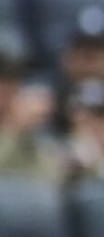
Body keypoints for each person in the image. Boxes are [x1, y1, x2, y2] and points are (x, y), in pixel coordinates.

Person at [0, 43, 57, 179]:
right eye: (5, 85)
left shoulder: (25, 125)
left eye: (16, 84)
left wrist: (27, 132)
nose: (14, 93)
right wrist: (14, 129)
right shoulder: (15, 126)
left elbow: (48, 179)